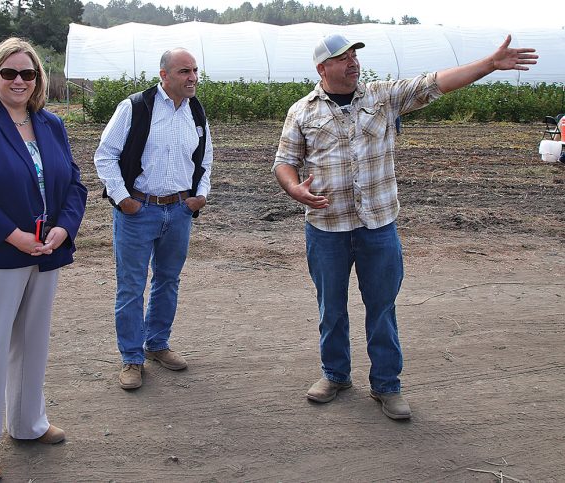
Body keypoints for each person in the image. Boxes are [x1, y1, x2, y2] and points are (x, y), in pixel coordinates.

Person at [273, 33, 537, 420]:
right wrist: (295, 188)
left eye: (354, 56)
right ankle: (335, 375)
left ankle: (386, 385)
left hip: (377, 225)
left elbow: (434, 82)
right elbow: (284, 160)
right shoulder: (302, 111)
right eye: (342, 58)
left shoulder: (382, 97)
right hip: (326, 227)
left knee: (381, 308)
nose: (353, 63)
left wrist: (488, 64)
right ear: (322, 69)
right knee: (331, 307)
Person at [0, 37, 87, 481]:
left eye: (28, 73)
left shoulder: (51, 125)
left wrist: (64, 227)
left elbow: (75, 184)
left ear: (39, 79)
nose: (19, 80)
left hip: (44, 254)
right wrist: (15, 236)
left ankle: (28, 424)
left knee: (32, 344)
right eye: (9, 73)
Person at [94, 48, 213, 390]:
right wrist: (124, 200)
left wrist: (199, 197)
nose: (192, 78)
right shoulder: (136, 107)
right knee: (131, 287)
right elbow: (105, 155)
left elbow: (205, 159)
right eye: (183, 72)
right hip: (139, 211)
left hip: (179, 211)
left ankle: (157, 344)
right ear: (164, 75)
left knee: (167, 280)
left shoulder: (196, 111)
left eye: (194, 71)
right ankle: (132, 358)